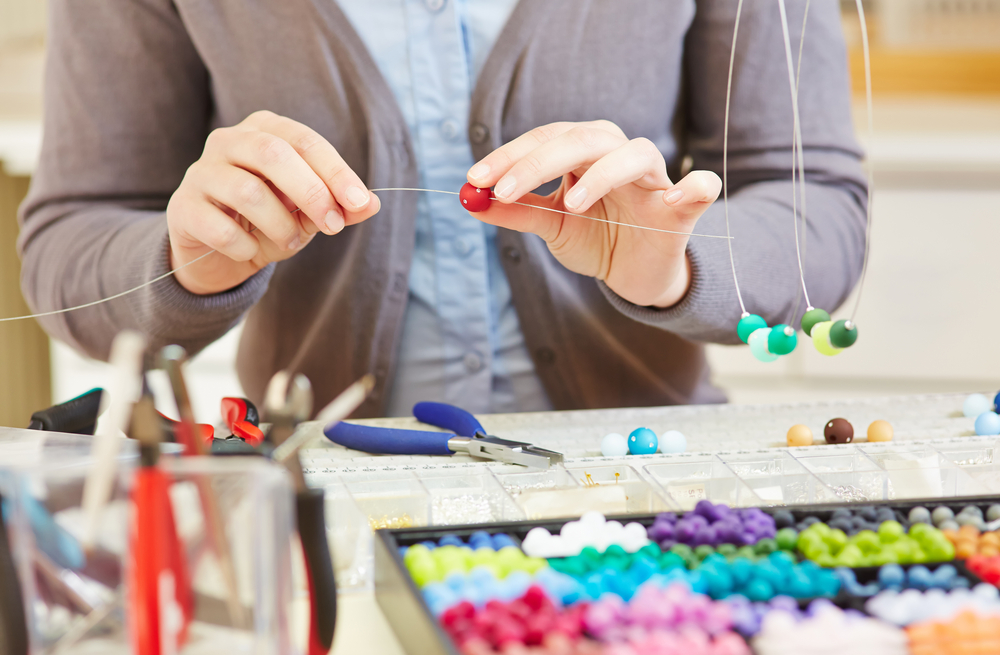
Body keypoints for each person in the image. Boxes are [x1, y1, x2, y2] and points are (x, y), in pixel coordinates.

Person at [18, 0, 866, 418]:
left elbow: (816, 205)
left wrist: (675, 264)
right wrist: (185, 264)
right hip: (326, 505)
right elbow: (70, 243)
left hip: (654, 487)